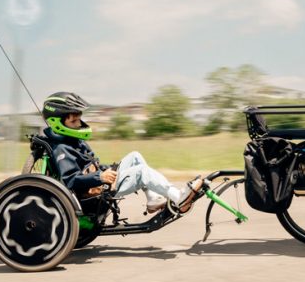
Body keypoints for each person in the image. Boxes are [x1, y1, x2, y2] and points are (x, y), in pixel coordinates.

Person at [40, 91, 203, 214]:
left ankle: (153, 199)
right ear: (57, 122)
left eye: (78, 119)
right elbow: (70, 180)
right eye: (74, 121)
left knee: (135, 156)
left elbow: (91, 164)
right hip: (94, 192)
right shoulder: (62, 149)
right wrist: (100, 177)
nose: (78, 124)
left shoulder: (74, 141)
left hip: (99, 181)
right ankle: (178, 197)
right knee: (142, 172)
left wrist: (106, 170)